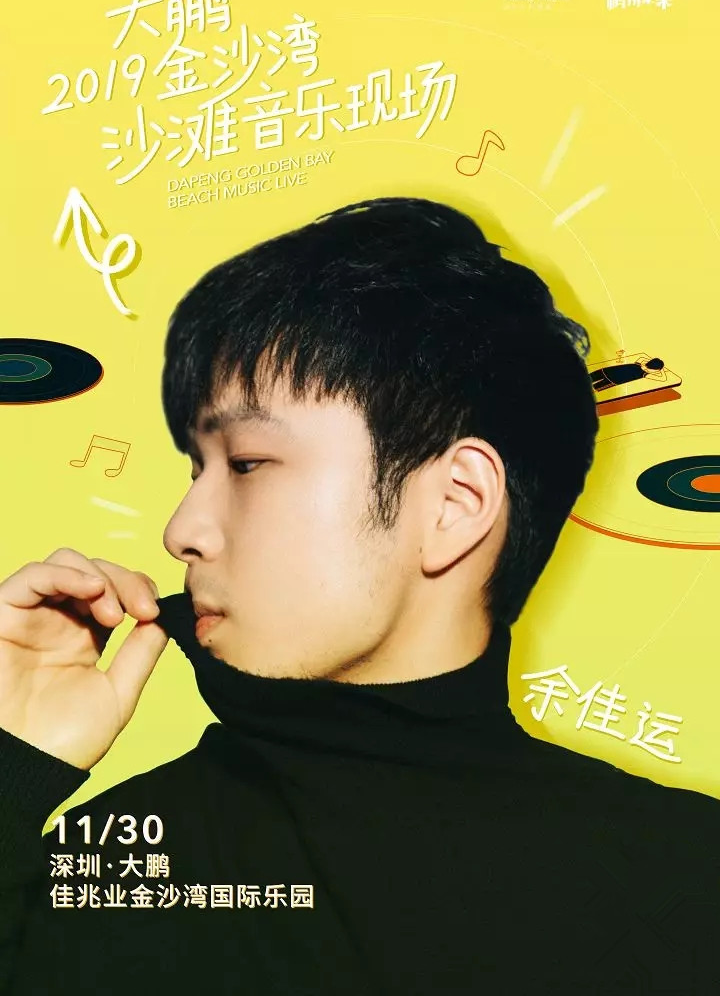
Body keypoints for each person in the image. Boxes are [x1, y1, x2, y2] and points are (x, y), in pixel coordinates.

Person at [0, 198, 717, 996]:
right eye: (196, 469)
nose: (182, 531)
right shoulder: (113, 866)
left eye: (246, 464)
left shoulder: (688, 882)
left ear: (453, 506)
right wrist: (12, 765)